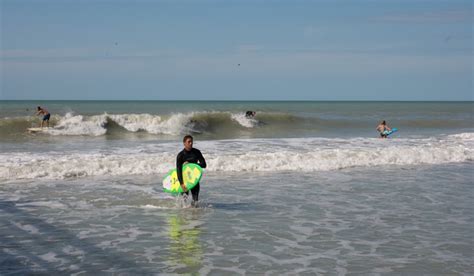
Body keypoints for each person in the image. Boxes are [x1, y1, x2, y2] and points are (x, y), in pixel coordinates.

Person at [176, 135, 207, 206]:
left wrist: (191, 164)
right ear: (184, 143)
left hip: (194, 180)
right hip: (185, 180)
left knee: (195, 202)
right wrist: (181, 183)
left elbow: (204, 164)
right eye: (189, 142)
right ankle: (185, 216)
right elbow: (178, 170)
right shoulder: (180, 155)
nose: (191, 143)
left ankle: (194, 216)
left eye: (191, 141)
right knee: (184, 203)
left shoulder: (197, 152)